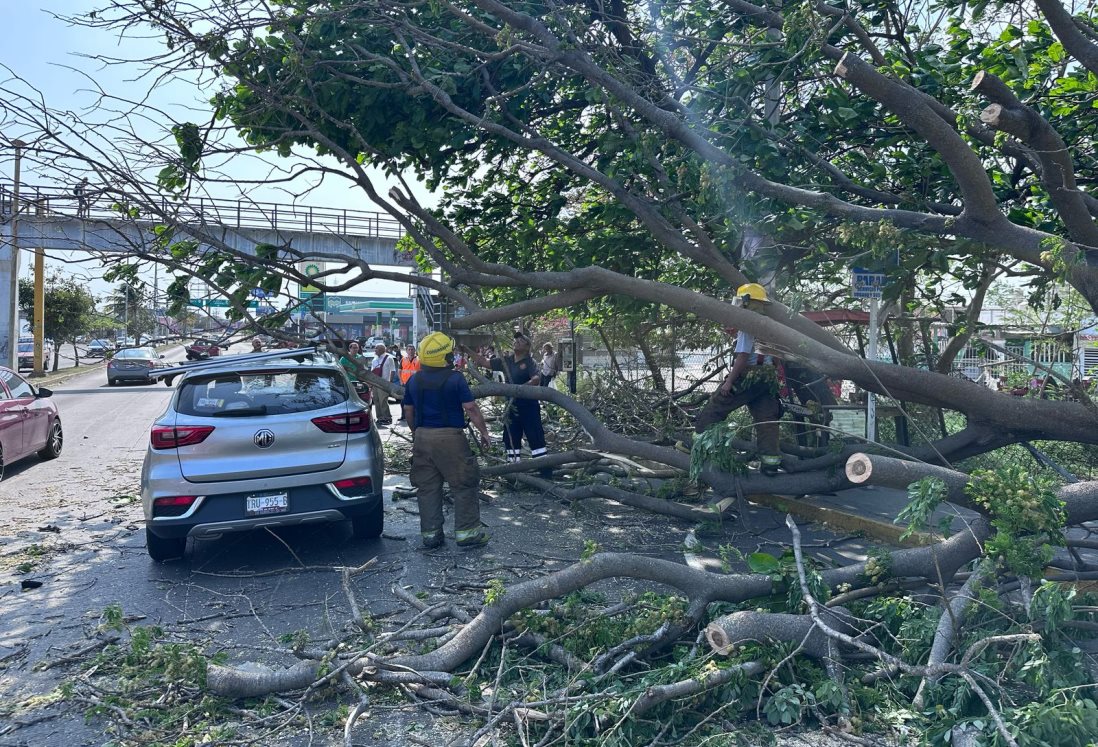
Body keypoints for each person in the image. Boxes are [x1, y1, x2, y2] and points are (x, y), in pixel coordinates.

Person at [403, 332, 492, 549]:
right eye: (450, 352)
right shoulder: (455, 379)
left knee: (427, 487)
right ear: (444, 357)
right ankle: (467, 533)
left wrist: (417, 433)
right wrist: (484, 432)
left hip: (423, 437)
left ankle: (431, 535)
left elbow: (408, 410)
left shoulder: (414, 380)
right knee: (463, 484)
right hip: (451, 438)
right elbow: (470, 408)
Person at [694, 283, 783, 475]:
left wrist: (729, 382)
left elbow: (742, 357)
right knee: (767, 419)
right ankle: (770, 464)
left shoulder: (747, 326)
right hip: (767, 379)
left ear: (744, 302)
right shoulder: (771, 327)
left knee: (716, 407)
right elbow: (776, 357)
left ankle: (697, 447)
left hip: (748, 377)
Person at [483, 332, 551, 478]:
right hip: (511, 408)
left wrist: (519, 389)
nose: (517, 341)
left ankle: (544, 472)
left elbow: (536, 379)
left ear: (527, 347)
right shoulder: (506, 361)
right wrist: (467, 350)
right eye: (516, 340)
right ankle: (513, 473)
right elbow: (485, 363)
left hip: (528, 406)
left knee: (535, 436)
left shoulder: (529, 362)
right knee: (510, 437)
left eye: (521, 340)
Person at [371, 343, 396, 425]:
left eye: (377, 348)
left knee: (383, 401)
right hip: (375, 383)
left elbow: (393, 370)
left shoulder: (389, 358)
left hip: (384, 383)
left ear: (382, 349)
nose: (375, 350)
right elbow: (372, 371)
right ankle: (380, 417)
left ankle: (387, 418)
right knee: (376, 401)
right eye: (375, 348)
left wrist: (390, 383)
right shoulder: (374, 359)